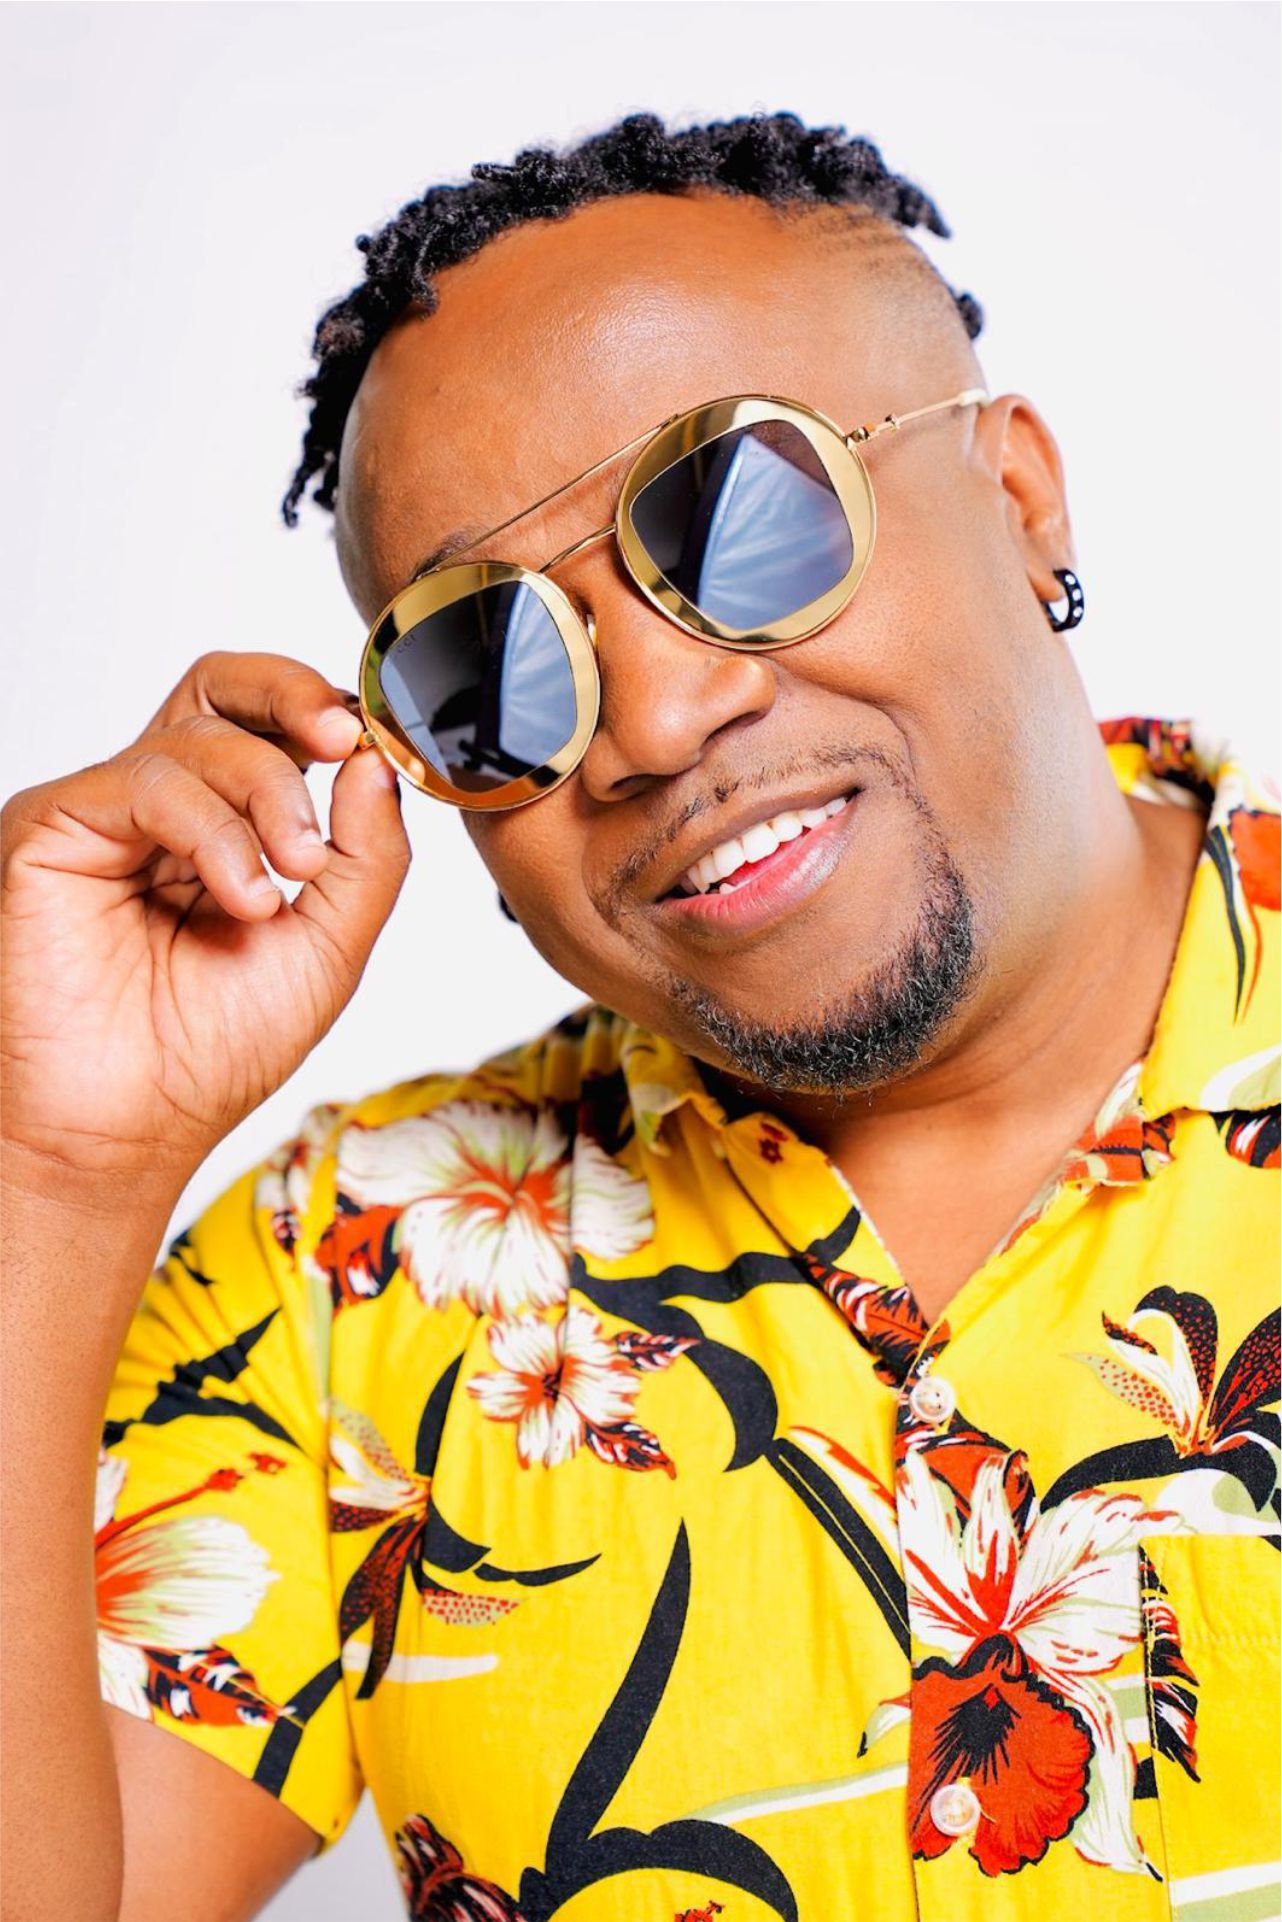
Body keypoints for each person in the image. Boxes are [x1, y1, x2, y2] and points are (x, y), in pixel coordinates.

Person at [2, 109, 1277, 1922]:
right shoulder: (345, 1276)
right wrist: (49, 1176)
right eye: (487, 663)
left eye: (743, 522)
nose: (657, 721)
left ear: (1016, 502)